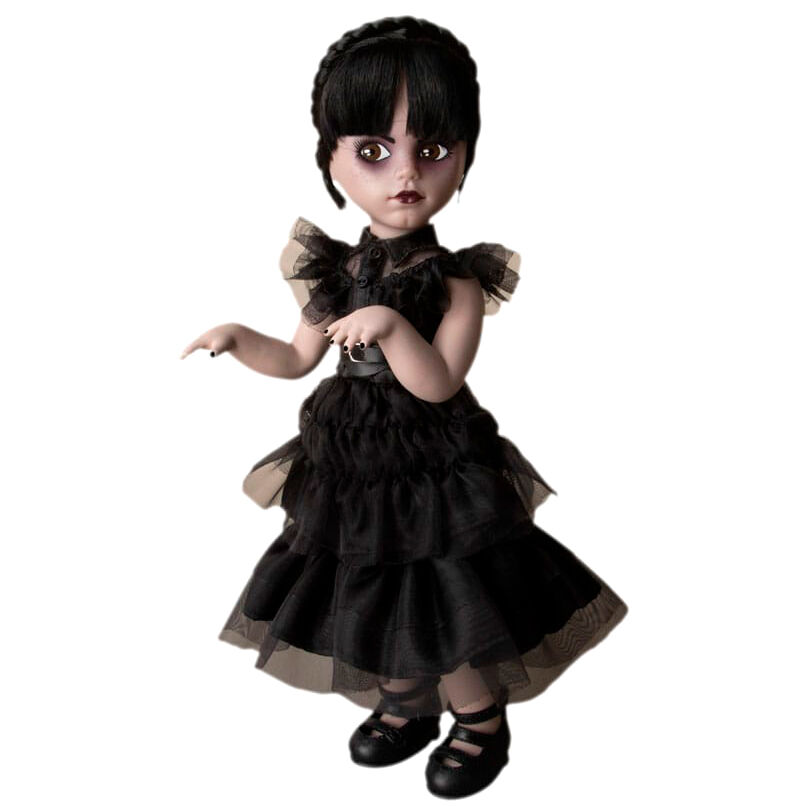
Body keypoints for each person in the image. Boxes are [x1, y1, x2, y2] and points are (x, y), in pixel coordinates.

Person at [181, 16, 628, 799]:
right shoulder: (335, 271)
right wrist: (239, 338)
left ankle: (479, 716)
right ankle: (403, 699)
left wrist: (389, 325)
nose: (405, 173)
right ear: (330, 159)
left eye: (434, 149)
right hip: (350, 463)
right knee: (367, 583)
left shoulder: (455, 281)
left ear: (465, 157)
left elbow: (439, 382)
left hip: (431, 468)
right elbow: (296, 358)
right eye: (372, 152)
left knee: (443, 591)